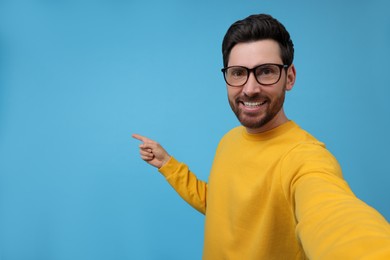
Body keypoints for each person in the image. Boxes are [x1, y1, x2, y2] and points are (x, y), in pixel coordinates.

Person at [133, 14, 390, 259]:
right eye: (238, 72)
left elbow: (336, 218)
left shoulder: (305, 159)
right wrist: (168, 164)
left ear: (289, 78)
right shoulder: (229, 140)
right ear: (227, 78)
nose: (250, 88)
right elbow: (219, 206)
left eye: (266, 71)